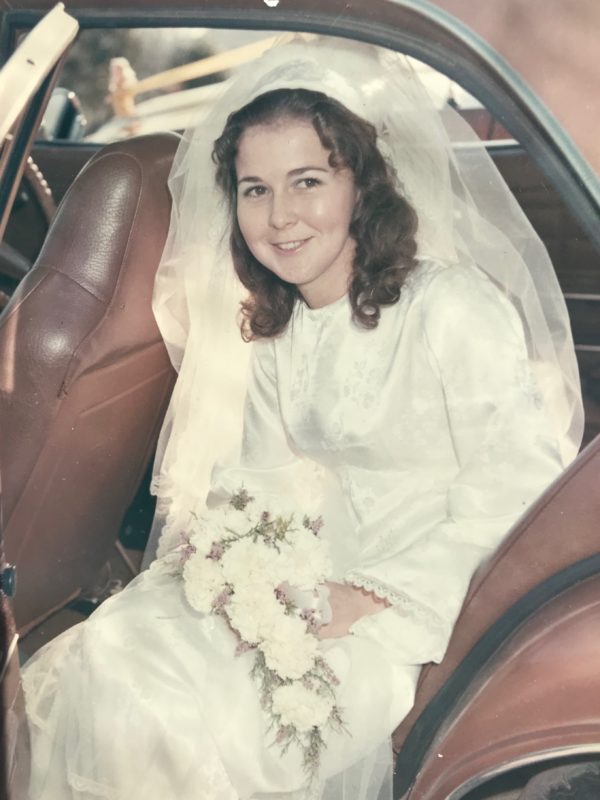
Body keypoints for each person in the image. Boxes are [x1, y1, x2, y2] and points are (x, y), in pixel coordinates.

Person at [21, 35, 582, 800]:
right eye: (254, 189)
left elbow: (522, 493)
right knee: (112, 655)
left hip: (420, 601)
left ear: (364, 186)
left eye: (308, 181)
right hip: (307, 581)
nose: (279, 217)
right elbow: (263, 476)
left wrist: (371, 596)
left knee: (182, 719)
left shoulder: (451, 308)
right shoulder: (284, 322)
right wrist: (231, 568)